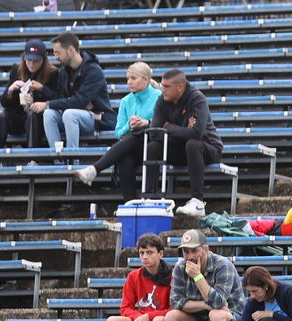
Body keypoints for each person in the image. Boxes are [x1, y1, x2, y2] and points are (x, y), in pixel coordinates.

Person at [79, 69, 222, 216]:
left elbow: (196, 134)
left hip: (208, 148)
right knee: (151, 146)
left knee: (192, 144)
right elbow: (154, 132)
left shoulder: (196, 98)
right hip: (178, 147)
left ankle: (197, 202)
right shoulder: (162, 100)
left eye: (167, 87)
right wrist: (178, 131)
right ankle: (149, 199)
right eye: (162, 85)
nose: (162, 89)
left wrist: (168, 127)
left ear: (180, 87)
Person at [158, 229, 239, 321]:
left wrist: (197, 276)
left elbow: (218, 303)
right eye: (186, 251)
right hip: (199, 320)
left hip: (231, 319)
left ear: (206, 249)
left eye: (194, 250)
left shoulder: (223, 265)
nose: (190, 256)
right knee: (171, 316)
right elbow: (176, 303)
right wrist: (205, 305)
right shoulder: (180, 267)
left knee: (216, 314)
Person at [32, 32, 113, 152]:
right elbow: (59, 97)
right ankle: (57, 158)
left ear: (70, 50)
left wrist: (47, 104)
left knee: (69, 114)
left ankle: (72, 158)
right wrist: (43, 89)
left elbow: (80, 101)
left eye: (58, 52)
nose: (55, 57)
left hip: (97, 117)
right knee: (49, 114)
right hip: (72, 117)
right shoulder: (64, 72)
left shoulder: (93, 70)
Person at [99, 233, 172, 321]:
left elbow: (175, 309)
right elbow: (125, 308)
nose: (144, 257)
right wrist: (141, 318)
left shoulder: (173, 276)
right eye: (141, 253)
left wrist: (148, 317)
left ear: (160, 254)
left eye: (149, 252)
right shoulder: (133, 276)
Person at [0, 39, 58, 150]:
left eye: (36, 61)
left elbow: (57, 99)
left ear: (43, 60)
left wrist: (41, 90)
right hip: (18, 117)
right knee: (0, 115)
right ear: (24, 57)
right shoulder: (17, 69)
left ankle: (33, 159)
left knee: (32, 114)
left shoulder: (52, 73)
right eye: (28, 60)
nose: (31, 64)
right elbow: (4, 103)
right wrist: (10, 90)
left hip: (38, 121)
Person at [111, 61, 161, 144]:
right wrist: (129, 125)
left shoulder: (159, 96)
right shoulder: (125, 101)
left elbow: (165, 123)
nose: (129, 82)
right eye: (128, 78)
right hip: (130, 143)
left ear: (145, 79)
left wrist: (146, 122)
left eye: (133, 78)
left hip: (152, 141)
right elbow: (118, 133)